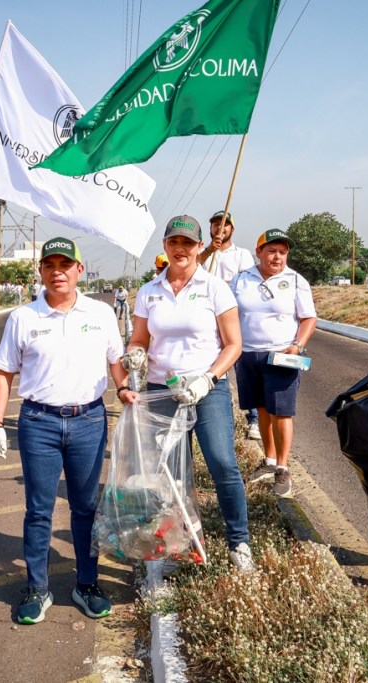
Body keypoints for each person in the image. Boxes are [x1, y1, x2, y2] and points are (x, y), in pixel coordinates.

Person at [0, 237, 130, 625]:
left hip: (89, 421)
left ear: (79, 270)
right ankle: (37, 587)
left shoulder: (101, 314)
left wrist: (124, 388)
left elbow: (117, 362)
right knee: (39, 510)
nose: (57, 272)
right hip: (39, 423)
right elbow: (3, 373)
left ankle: (87, 584)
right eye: (49, 265)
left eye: (65, 265)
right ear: (41, 271)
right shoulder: (23, 317)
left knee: (85, 508)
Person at [126, 215, 256, 573]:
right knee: (171, 474)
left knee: (222, 463)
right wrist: (135, 353)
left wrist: (208, 379)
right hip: (162, 391)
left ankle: (239, 542)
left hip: (206, 391)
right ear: (165, 246)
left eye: (187, 243)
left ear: (200, 246)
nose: (180, 249)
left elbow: (234, 344)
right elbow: (140, 339)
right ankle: (180, 544)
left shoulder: (214, 288)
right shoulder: (150, 291)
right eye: (174, 242)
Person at [232, 229, 317, 498]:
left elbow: (308, 318)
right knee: (262, 409)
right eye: (271, 251)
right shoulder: (241, 280)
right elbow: (229, 314)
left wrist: (298, 344)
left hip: (282, 356)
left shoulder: (296, 281)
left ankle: (282, 467)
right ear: (259, 252)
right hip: (248, 355)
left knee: (281, 412)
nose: (277, 257)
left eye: (282, 252)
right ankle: (268, 461)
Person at [197, 210, 260, 441]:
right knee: (212, 367)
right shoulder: (204, 254)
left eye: (224, 225)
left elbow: (246, 284)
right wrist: (209, 251)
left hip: (233, 318)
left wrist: (217, 286)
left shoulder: (241, 255)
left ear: (231, 229)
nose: (219, 228)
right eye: (215, 224)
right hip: (206, 320)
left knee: (243, 369)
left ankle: (254, 418)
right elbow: (191, 268)